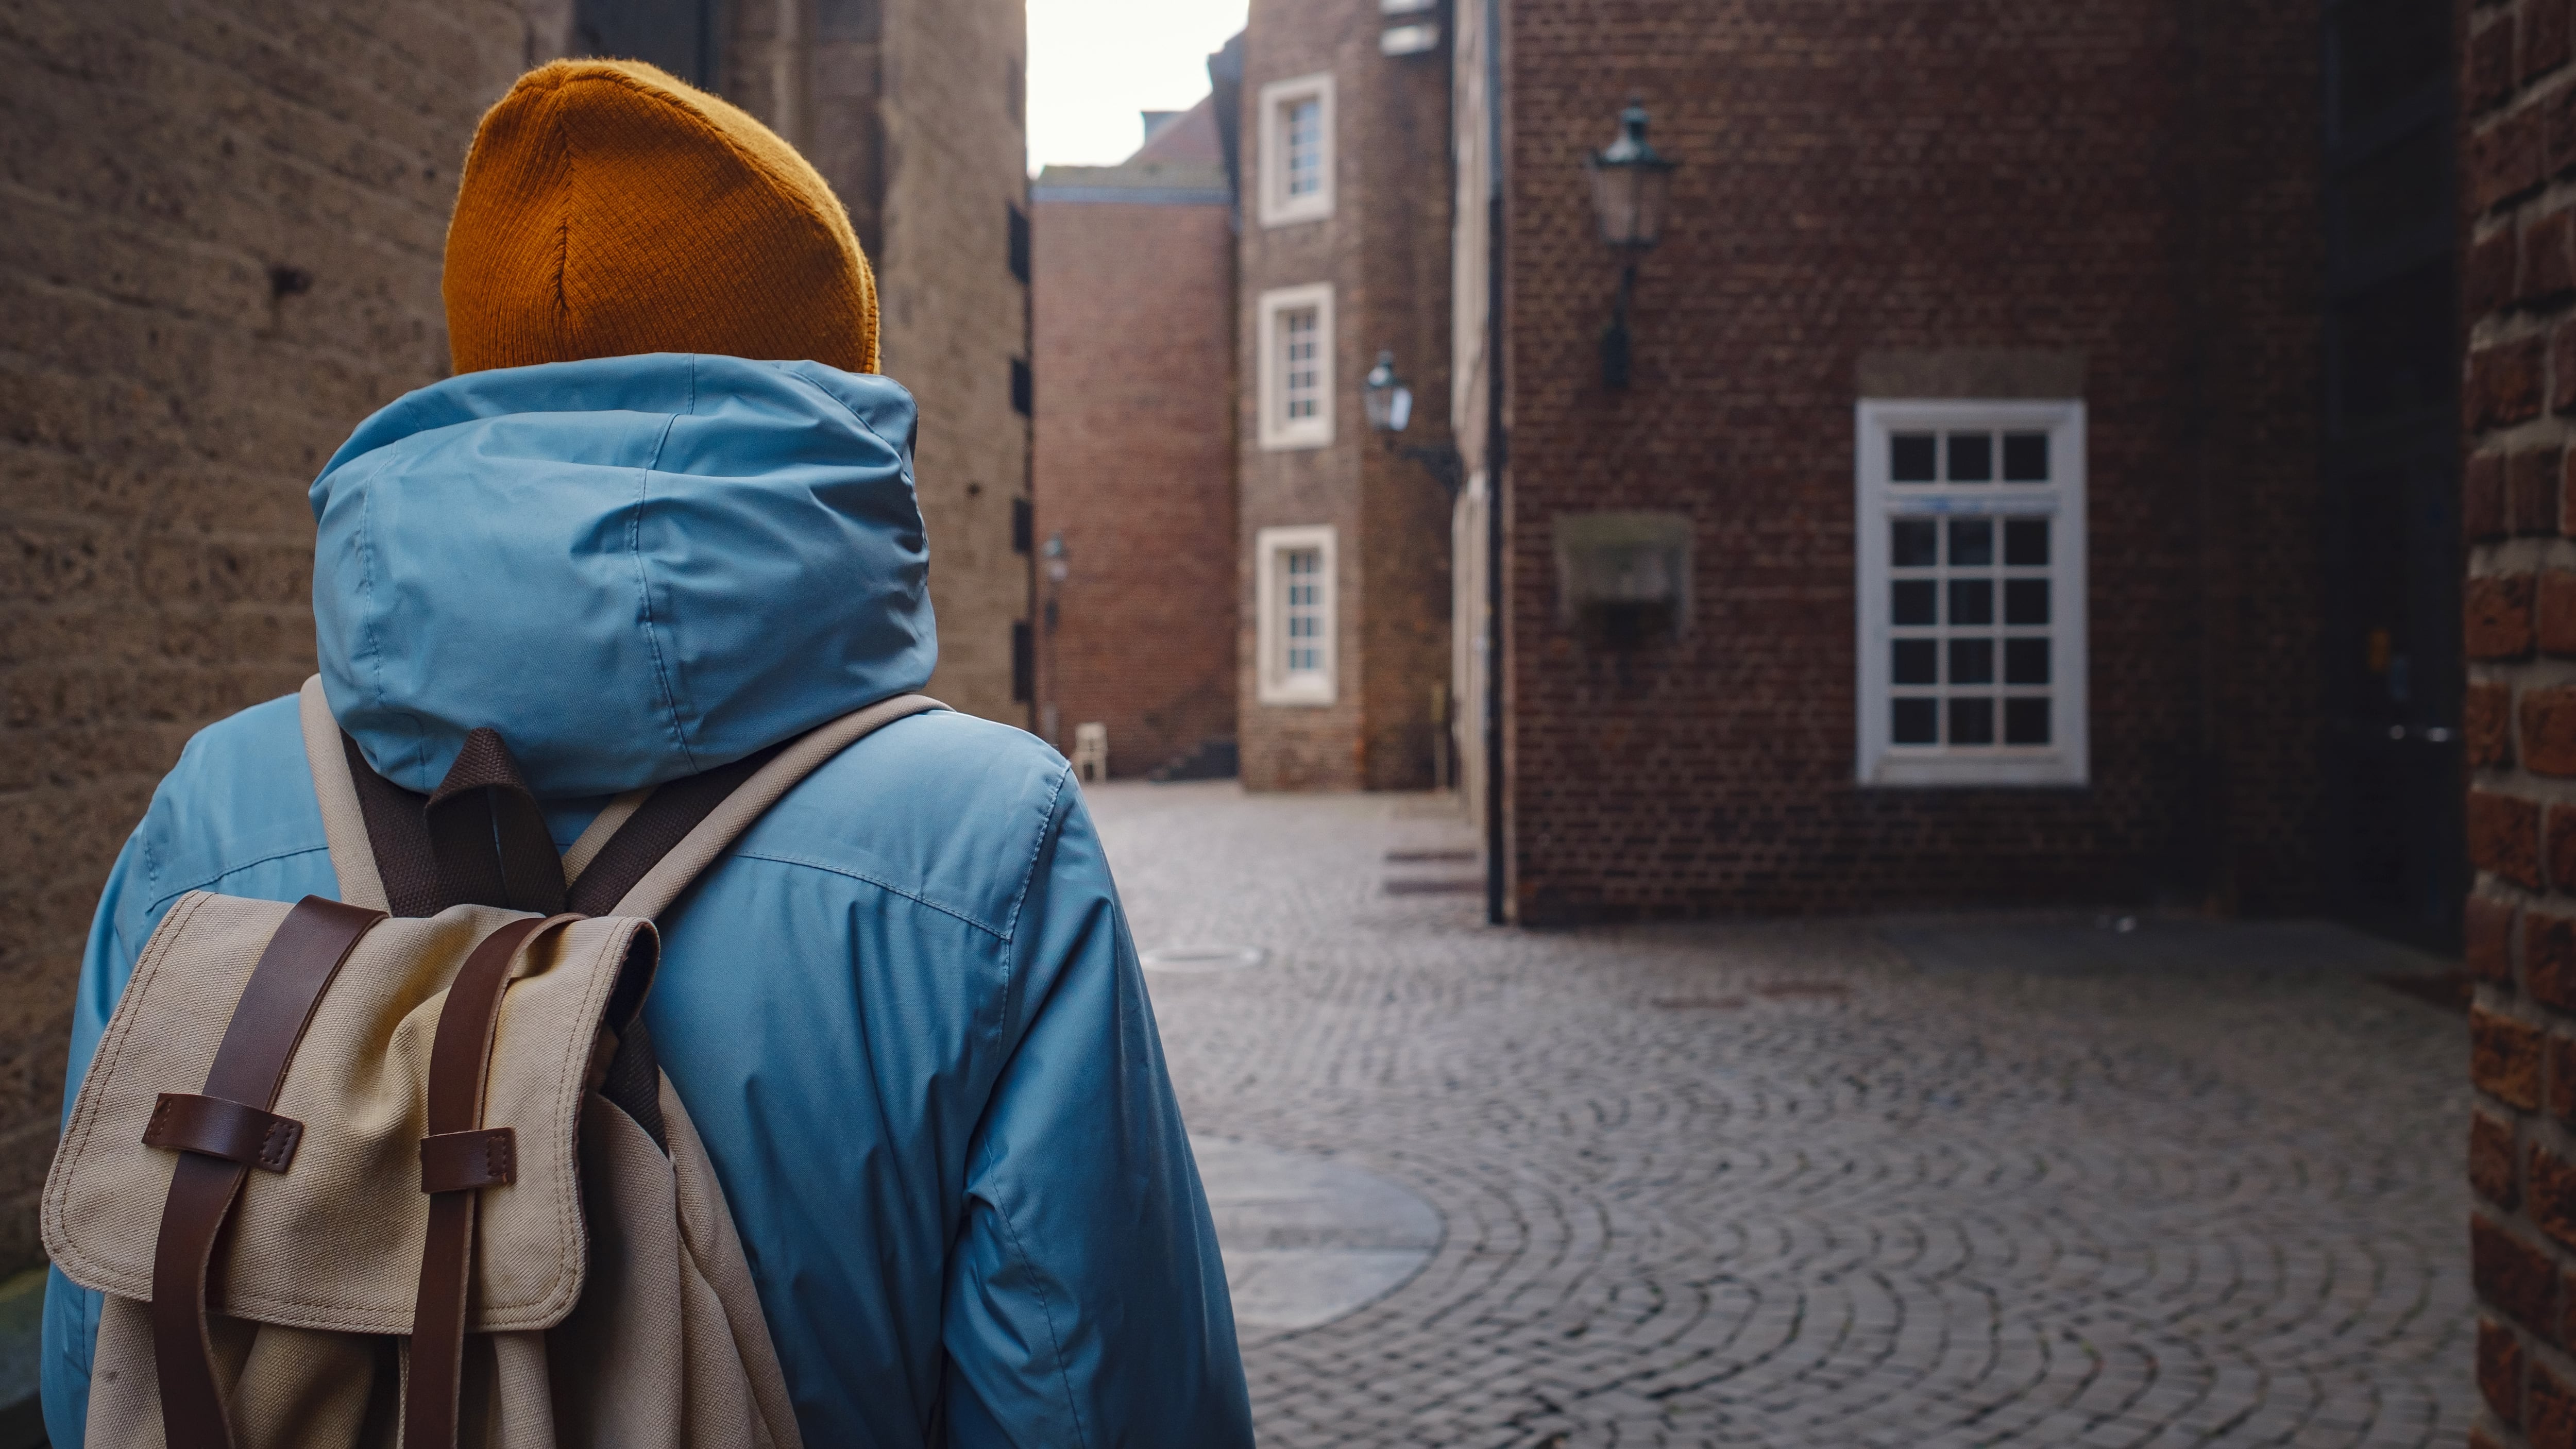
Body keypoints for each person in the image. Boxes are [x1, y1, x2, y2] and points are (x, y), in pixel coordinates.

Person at [40, 58, 1253, 1448]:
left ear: (477, 362)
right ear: (827, 378)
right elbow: (1092, 1399)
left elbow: (103, 1366)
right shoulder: (987, 840)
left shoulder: (211, 810)